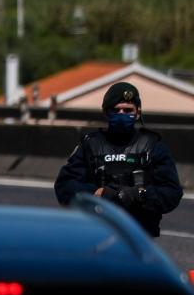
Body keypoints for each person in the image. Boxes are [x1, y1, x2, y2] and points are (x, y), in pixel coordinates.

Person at [55, 81, 183, 236]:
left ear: (138, 112)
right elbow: (64, 186)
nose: (122, 114)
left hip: (139, 235)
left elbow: (172, 192)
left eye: (128, 110)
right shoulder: (91, 144)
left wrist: (138, 195)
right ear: (105, 112)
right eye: (116, 110)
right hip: (96, 232)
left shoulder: (153, 146)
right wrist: (97, 194)